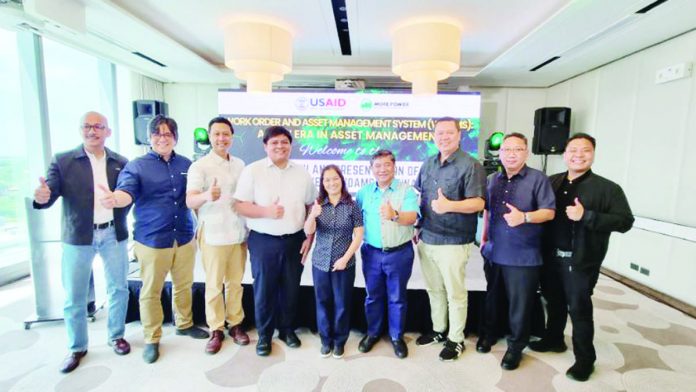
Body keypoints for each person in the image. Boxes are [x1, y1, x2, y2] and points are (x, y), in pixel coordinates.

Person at [101, 114, 208, 364]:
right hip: (151, 238)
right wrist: (116, 198)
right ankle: (152, 337)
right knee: (151, 291)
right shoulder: (137, 166)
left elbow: (193, 197)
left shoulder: (187, 164)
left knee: (184, 284)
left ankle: (184, 323)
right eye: (157, 134)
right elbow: (126, 192)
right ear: (149, 138)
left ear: (175, 138)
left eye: (168, 134)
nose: (163, 138)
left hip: (183, 235)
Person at [530, 133, 633, 382]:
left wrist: (587, 215)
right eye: (573, 150)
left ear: (593, 154)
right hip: (550, 257)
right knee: (553, 302)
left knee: (580, 311)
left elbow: (625, 222)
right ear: (564, 154)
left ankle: (585, 360)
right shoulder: (551, 182)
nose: (578, 155)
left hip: (581, 261)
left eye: (585, 150)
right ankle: (554, 339)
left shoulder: (608, 188)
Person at [33, 111, 131, 373]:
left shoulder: (120, 161)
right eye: (87, 126)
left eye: (98, 126)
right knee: (75, 295)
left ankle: (116, 335)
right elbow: (49, 193)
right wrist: (43, 196)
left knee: (118, 288)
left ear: (107, 131)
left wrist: (119, 199)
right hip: (78, 237)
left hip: (113, 234)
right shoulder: (63, 161)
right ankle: (77, 347)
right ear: (80, 130)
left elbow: (128, 192)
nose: (92, 131)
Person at [233, 126, 316, 356]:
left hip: (295, 239)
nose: (280, 146)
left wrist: (310, 236)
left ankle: (287, 330)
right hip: (263, 241)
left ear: (290, 145)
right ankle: (265, 335)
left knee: (291, 288)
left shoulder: (302, 173)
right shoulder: (253, 171)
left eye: (284, 142)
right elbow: (239, 205)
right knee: (264, 290)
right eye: (274, 143)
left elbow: (311, 206)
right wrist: (266, 212)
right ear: (265, 146)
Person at [480, 132, 555, 370]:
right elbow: (488, 213)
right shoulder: (492, 179)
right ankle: (489, 334)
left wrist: (524, 217)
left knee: (519, 305)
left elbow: (549, 212)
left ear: (526, 152)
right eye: (506, 150)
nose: (511, 154)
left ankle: (515, 347)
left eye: (517, 149)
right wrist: (483, 240)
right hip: (493, 252)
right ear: (500, 153)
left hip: (523, 256)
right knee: (492, 299)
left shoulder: (538, 179)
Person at [413, 117, 487, 361]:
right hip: (427, 237)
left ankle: (456, 339)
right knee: (434, 289)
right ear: (434, 137)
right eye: (439, 133)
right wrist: (416, 225)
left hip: (454, 241)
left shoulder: (471, 165)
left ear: (459, 135)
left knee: (455, 293)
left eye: (449, 133)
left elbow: (478, 203)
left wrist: (449, 206)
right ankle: (437, 330)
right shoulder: (428, 164)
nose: (444, 137)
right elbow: (420, 197)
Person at [186, 117, 249, 354]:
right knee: (213, 285)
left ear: (232, 137)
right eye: (217, 134)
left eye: (226, 134)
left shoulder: (240, 164)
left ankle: (236, 324)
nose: (221, 139)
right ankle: (216, 329)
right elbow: (189, 199)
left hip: (237, 232)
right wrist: (206, 196)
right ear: (210, 137)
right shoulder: (199, 166)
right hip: (212, 233)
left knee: (235, 283)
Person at [356, 150, 419, 359]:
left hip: (399, 253)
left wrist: (395, 215)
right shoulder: (364, 192)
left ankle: (396, 337)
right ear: (371, 169)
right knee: (372, 296)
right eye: (377, 166)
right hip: (371, 253)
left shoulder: (406, 191)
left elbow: (411, 218)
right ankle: (372, 333)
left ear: (394, 166)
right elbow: (356, 222)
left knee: (397, 297)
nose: (382, 169)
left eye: (387, 165)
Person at [304, 165, 364, 359]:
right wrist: (313, 214)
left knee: (342, 304)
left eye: (335, 178)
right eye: (327, 180)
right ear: (323, 183)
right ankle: (325, 341)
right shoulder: (319, 204)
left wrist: (345, 259)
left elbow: (359, 235)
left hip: (344, 264)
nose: (331, 183)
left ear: (341, 180)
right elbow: (308, 230)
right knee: (322, 302)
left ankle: (339, 342)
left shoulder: (352, 205)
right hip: (320, 262)